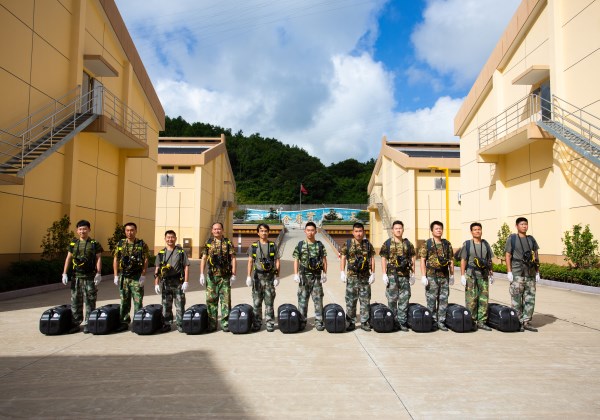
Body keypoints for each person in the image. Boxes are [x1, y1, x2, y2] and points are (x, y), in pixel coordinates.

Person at [62, 220, 104, 334]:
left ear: (89, 229)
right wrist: (64, 273)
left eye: (85, 229)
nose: (82, 231)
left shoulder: (94, 244)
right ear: (77, 231)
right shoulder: (73, 243)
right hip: (76, 277)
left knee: (90, 301)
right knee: (75, 301)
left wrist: (99, 273)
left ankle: (89, 323)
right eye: (80, 229)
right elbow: (68, 258)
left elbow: (98, 258)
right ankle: (75, 323)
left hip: (89, 277)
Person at [199, 222, 237, 332]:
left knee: (225, 301)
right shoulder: (208, 243)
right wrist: (201, 274)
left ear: (223, 230)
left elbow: (233, 258)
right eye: (215, 229)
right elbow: (204, 258)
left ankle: (225, 324)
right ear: (212, 231)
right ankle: (212, 324)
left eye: (219, 229)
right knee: (211, 301)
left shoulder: (228, 242)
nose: (217, 231)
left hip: (225, 276)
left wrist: (234, 274)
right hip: (211, 277)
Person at [379, 220, 416, 332]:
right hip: (392, 276)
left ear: (403, 230)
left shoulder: (408, 244)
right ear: (392, 230)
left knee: (404, 299)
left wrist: (413, 273)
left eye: (400, 228)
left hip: (405, 275)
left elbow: (412, 258)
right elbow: (383, 258)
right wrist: (384, 273)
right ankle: (392, 322)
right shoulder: (387, 243)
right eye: (396, 228)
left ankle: (402, 322)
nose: (398, 230)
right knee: (392, 300)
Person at [505, 217, 540, 332]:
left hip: (530, 272)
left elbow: (536, 255)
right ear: (517, 226)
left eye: (526, 224)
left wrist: (537, 271)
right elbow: (508, 255)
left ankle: (526, 321)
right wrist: (509, 271)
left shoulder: (531, 239)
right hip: (517, 272)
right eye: (522, 224)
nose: (524, 226)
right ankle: (517, 322)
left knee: (530, 298)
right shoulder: (512, 239)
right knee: (516, 299)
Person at [113, 222, 149, 332]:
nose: (130, 232)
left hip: (136, 276)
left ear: (136, 231)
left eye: (132, 230)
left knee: (138, 301)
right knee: (124, 300)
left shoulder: (141, 244)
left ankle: (137, 322)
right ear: (125, 231)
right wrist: (115, 275)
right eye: (127, 230)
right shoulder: (120, 244)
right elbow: (116, 259)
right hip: (124, 277)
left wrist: (143, 275)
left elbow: (146, 260)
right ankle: (124, 322)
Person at [293, 221, 328, 331]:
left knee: (318, 300)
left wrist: (325, 273)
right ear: (305, 231)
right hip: (304, 277)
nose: (310, 232)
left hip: (316, 277)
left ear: (316, 231)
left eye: (312, 230)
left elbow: (324, 260)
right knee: (302, 300)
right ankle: (302, 321)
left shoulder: (319, 245)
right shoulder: (300, 245)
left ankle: (319, 321)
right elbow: (296, 260)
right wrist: (295, 274)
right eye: (308, 230)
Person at [340, 222, 375, 331]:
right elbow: (343, 257)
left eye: (360, 231)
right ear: (353, 232)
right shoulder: (348, 244)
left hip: (365, 277)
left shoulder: (368, 245)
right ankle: (351, 322)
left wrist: (373, 273)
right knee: (351, 301)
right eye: (356, 231)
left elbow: (372, 259)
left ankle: (364, 322)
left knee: (365, 300)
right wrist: (342, 272)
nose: (358, 233)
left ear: (363, 232)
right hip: (352, 277)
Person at [419, 221, 454, 331]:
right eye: (436, 228)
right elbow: (422, 260)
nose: (439, 230)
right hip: (431, 276)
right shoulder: (427, 244)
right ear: (432, 231)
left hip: (444, 276)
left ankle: (441, 322)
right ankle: (432, 321)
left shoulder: (447, 244)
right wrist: (423, 276)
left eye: (440, 228)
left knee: (443, 300)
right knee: (431, 300)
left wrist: (452, 275)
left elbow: (451, 260)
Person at [459, 222, 494, 331]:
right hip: (471, 275)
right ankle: (471, 321)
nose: (477, 231)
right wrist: (462, 275)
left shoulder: (486, 244)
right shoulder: (467, 244)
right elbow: (463, 260)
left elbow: (489, 260)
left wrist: (491, 272)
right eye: (475, 230)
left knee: (483, 299)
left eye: (479, 229)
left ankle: (482, 322)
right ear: (471, 232)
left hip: (483, 275)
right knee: (471, 300)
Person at [246, 224, 280, 332]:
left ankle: (270, 323)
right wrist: (248, 276)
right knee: (257, 302)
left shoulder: (273, 246)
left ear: (268, 232)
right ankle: (257, 323)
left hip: (269, 278)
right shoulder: (253, 246)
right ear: (258, 233)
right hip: (257, 278)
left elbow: (277, 261)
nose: (264, 233)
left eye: (266, 231)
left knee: (269, 302)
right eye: (261, 231)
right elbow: (250, 261)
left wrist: (277, 276)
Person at [154, 230, 190, 333]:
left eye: (172, 237)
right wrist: (156, 283)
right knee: (166, 305)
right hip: (165, 282)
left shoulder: (181, 252)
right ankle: (167, 324)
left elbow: (186, 267)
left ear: (175, 238)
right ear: (165, 239)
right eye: (168, 237)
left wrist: (186, 281)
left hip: (178, 282)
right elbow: (157, 269)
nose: (170, 239)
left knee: (180, 304)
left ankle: (180, 324)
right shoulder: (161, 253)